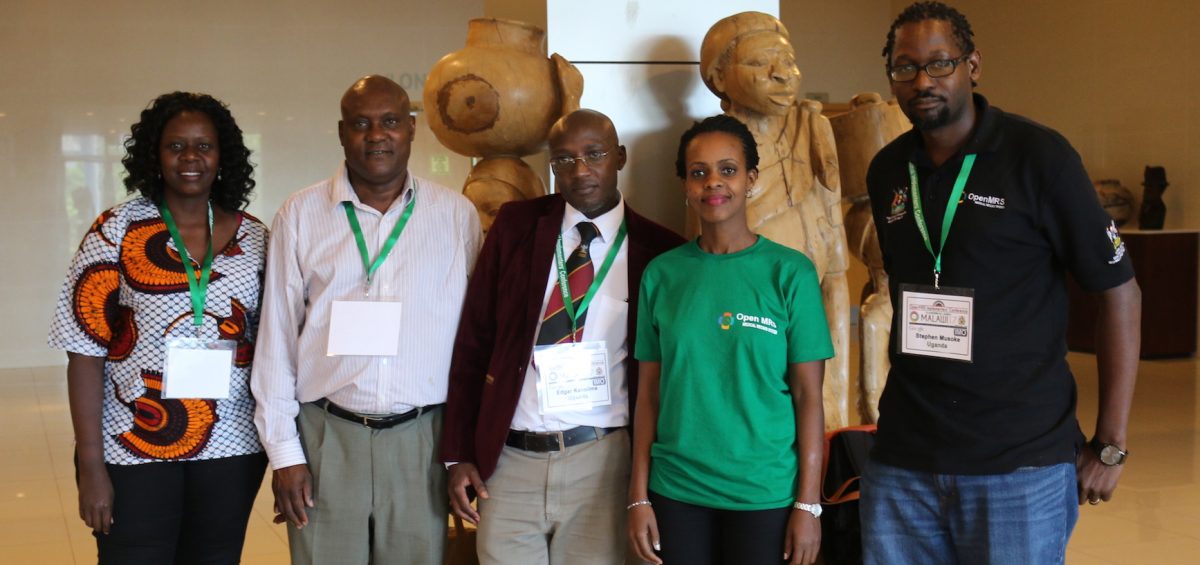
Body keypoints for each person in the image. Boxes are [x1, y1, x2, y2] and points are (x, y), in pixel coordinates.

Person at [861, 3, 1142, 564]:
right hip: (904, 460)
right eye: (905, 67)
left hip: (1019, 464)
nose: (922, 81)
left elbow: (1120, 293)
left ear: (973, 66)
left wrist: (1110, 444)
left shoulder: (1039, 157)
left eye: (940, 63)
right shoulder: (888, 169)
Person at [251, 75, 481, 564]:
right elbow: (276, 339)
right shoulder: (300, 214)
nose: (376, 135)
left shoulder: (456, 216)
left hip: (423, 439)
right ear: (341, 133)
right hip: (327, 436)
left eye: (390, 121)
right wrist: (285, 455)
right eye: (361, 124)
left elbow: (474, 339)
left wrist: (462, 447)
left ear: (412, 128)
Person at [440, 108, 683, 564]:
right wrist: (458, 454)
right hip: (510, 460)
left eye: (595, 154)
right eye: (565, 159)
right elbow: (473, 341)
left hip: (603, 462)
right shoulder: (515, 227)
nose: (580, 170)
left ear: (620, 157)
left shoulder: (661, 251)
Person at [48, 91, 268, 563]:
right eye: (176, 146)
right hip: (132, 446)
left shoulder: (256, 238)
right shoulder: (116, 230)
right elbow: (82, 351)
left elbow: (277, 346)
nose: (191, 158)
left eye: (204, 146)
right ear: (155, 153)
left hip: (232, 446)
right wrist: (91, 463)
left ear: (223, 155)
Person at [627, 114, 831, 565]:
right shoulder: (662, 275)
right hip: (676, 489)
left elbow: (809, 397)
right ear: (685, 185)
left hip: (765, 493)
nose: (713, 183)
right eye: (698, 172)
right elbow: (648, 397)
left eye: (728, 169)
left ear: (751, 178)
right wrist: (638, 496)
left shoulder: (790, 273)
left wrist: (808, 504)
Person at [699, 11, 852, 428]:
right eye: (759, 62)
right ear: (719, 77)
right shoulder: (709, 153)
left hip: (811, 346)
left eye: (788, 61)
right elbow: (708, 285)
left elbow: (835, 273)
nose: (783, 74)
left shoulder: (814, 131)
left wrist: (837, 386)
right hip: (747, 348)